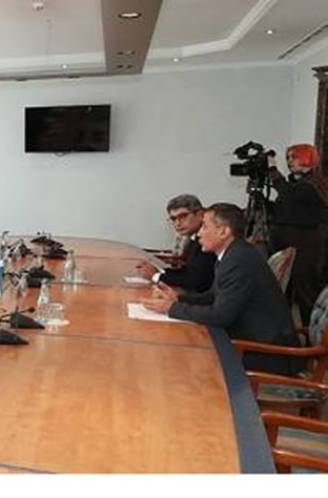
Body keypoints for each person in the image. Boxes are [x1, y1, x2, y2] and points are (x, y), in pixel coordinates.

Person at [142, 204, 300, 375]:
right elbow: (213, 296)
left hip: (263, 353)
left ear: (223, 232)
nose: (199, 234)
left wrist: (172, 308)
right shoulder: (232, 253)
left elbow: (220, 316)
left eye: (204, 226)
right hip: (247, 340)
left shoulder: (238, 260)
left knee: (179, 362)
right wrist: (178, 298)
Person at [268, 144, 328, 325]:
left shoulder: (313, 184)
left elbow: (289, 194)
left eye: (293, 157)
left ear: (306, 158)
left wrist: (272, 170)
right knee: (290, 288)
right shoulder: (300, 183)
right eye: (288, 158)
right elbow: (288, 208)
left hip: (308, 246)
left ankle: (313, 335)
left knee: (305, 291)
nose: (289, 162)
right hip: (296, 242)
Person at [135, 194, 216, 292]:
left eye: (183, 216)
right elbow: (188, 272)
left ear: (200, 215)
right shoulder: (193, 238)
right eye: (173, 219)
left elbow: (196, 281)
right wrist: (159, 271)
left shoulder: (208, 240)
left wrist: (156, 276)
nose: (177, 223)